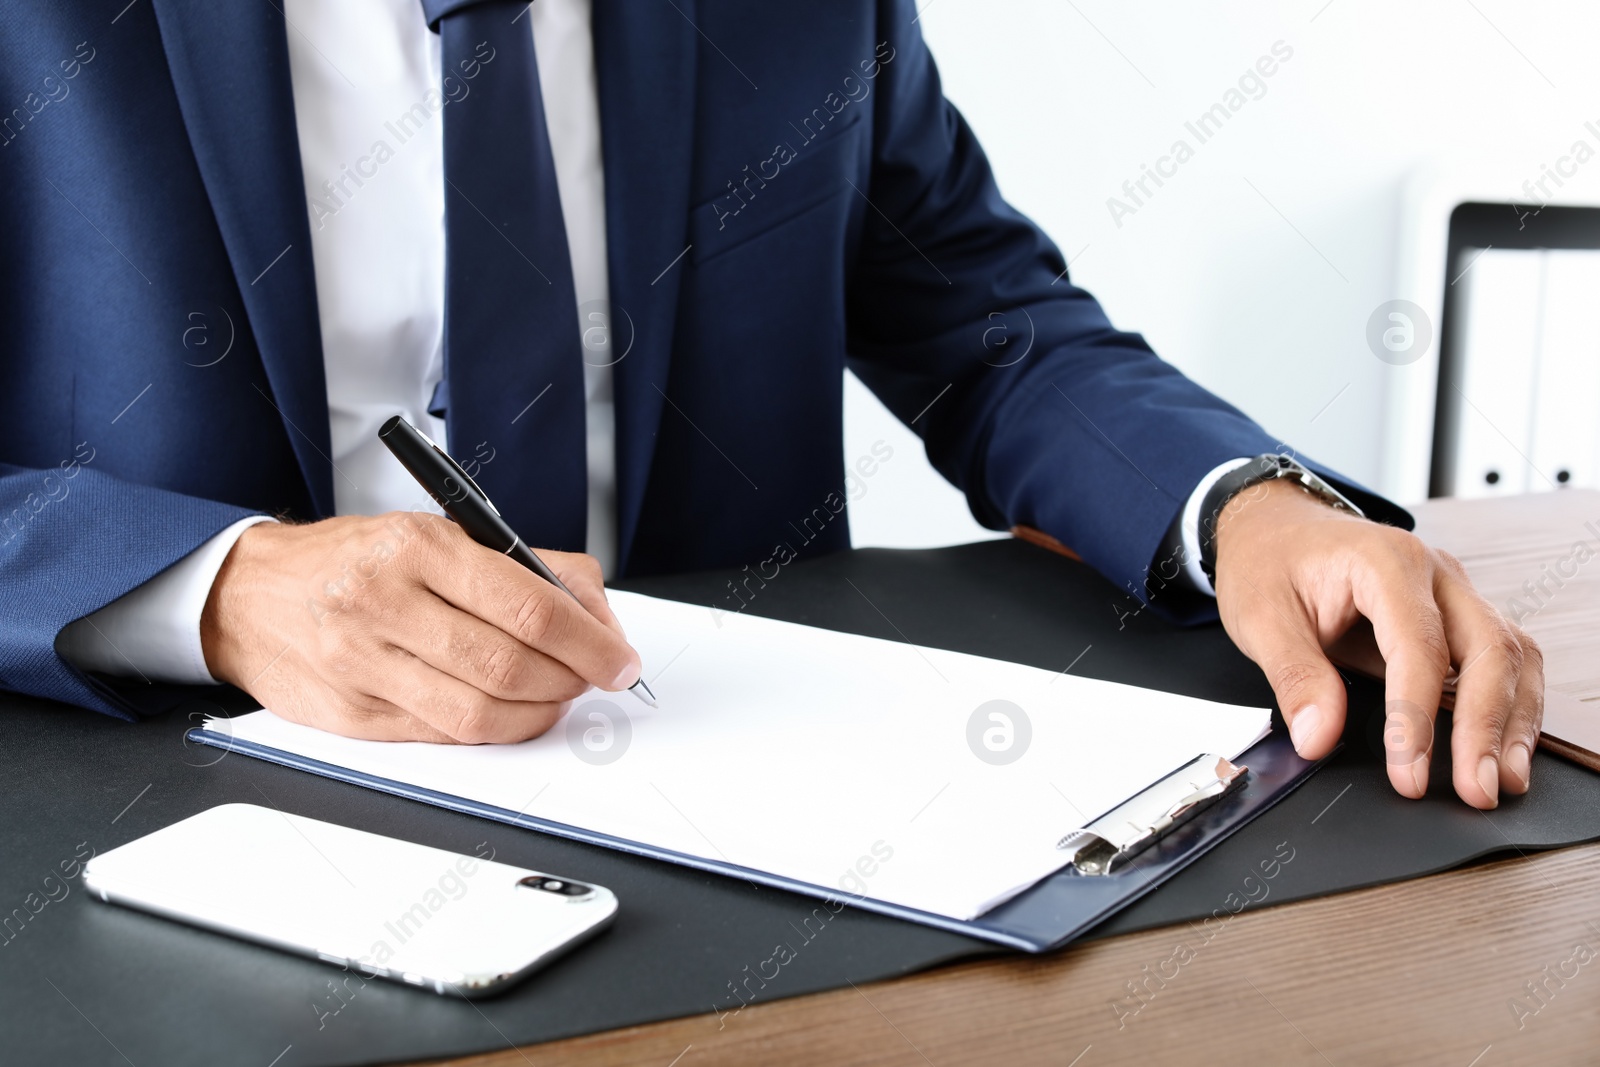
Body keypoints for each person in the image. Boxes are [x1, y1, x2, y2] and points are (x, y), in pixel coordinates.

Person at [0, 0, 1540, 810]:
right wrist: (210, 595)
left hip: (721, 817)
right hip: (157, 823)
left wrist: (1243, 504)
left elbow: (985, 322)